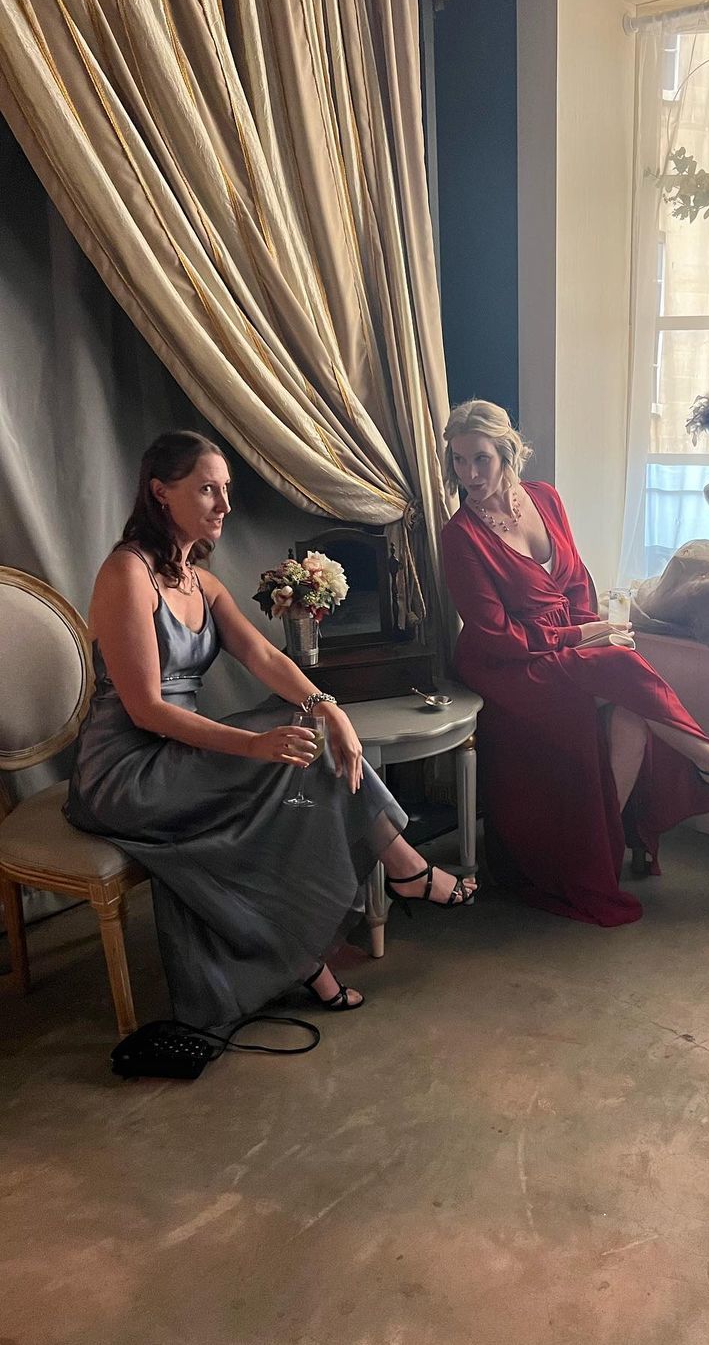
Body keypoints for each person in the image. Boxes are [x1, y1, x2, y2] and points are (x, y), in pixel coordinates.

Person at [65, 431, 475, 1030]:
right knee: (284, 753)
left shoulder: (199, 582)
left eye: (225, 489)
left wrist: (329, 708)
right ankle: (400, 877)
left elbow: (262, 655)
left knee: (306, 738)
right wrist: (255, 745)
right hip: (125, 771)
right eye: (207, 490)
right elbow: (148, 711)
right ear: (160, 493)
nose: (224, 505)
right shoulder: (126, 573)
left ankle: (311, 949)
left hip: (180, 753)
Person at [439, 400, 709, 928]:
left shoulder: (545, 498)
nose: (469, 474)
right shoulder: (460, 535)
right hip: (506, 665)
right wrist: (585, 636)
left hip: (559, 644)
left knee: (629, 712)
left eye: (480, 459)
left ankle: (601, 852)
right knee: (623, 669)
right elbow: (496, 635)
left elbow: (577, 584)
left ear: (507, 453)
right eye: (459, 461)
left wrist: (594, 634)